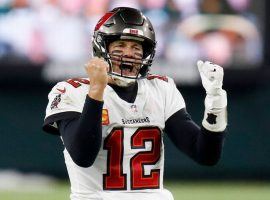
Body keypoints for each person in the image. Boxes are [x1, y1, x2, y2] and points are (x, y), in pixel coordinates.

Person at [43, 7, 227, 200]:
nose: (129, 54)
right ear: (101, 48)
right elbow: (83, 156)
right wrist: (96, 91)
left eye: (136, 48)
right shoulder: (71, 91)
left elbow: (205, 154)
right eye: (120, 46)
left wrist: (216, 103)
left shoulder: (161, 89)